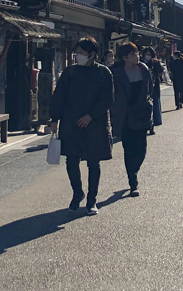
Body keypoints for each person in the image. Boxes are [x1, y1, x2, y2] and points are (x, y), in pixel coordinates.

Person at [49, 36, 114, 215]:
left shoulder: (103, 73)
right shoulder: (70, 73)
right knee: (72, 160)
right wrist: (54, 119)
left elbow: (107, 99)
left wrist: (91, 116)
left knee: (94, 162)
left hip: (96, 124)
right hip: (71, 123)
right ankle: (77, 192)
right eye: (76, 53)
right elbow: (59, 97)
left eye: (81, 53)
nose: (77, 56)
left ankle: (92, 200)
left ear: (92, 54)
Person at [111, 41, 152, 197]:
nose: (138, 56)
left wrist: (149, 104)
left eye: (137, 53)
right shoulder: (115, 72)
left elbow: (150, 88)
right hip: (124, 115)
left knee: (141, 149)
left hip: (141, 113)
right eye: (134, 54)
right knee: (128, 149)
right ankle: (133, 181)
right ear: (125, 57)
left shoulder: (144, 69)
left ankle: (134, 170)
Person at [141, 46, 164, 134]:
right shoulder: (140, 63)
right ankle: (146, 125)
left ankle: (152, 126)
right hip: (143, 88)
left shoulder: (155, 63)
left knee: (154, 107)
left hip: (154, 87)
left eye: (150, 54)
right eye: (146, 54)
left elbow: (160, 72)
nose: (148, 56)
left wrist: (157, 64)